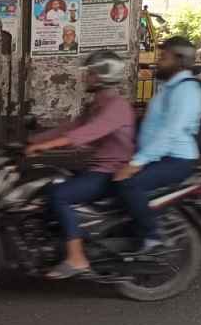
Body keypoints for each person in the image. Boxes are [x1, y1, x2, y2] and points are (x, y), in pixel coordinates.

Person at [25, 51, 136, 278]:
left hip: (109, 173)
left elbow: (85, 134)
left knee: (60, 195)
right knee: (48, 183)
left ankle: (77, 258)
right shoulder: (97, 104)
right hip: (95, 168)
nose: (86, 77)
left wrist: (45, 147)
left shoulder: (117, 106)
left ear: (103, 76)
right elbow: (70, 128)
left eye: (91, 73)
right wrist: (30, 141)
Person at [112, 36, 201, 251]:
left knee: (129, 183)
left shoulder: (187, 91)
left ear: (179, 60)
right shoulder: (170, 88)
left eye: (164, 57)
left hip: (177, 159)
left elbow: (171, 132)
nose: (158, 62)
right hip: (160, 155)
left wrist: (136, 163)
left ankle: (152, 237)